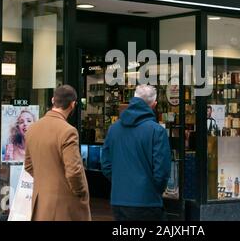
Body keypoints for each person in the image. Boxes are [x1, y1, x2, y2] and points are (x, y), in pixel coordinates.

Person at [101, 84, 171, 221]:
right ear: (154, 105)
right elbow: (161, 171)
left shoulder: (114, 129)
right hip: (147, 201)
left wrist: (120, 181)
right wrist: (155, 190)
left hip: (118, 200)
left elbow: (106, 164)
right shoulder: (156, 131)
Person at [24, 85, 91, 221]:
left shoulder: (32, 128)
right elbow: (73, 171)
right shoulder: (68, 131)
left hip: (41, 202)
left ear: (53, 100)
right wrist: (81, 192)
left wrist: (46, 181)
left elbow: (28, 166)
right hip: (64, 205)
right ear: (73, 104)